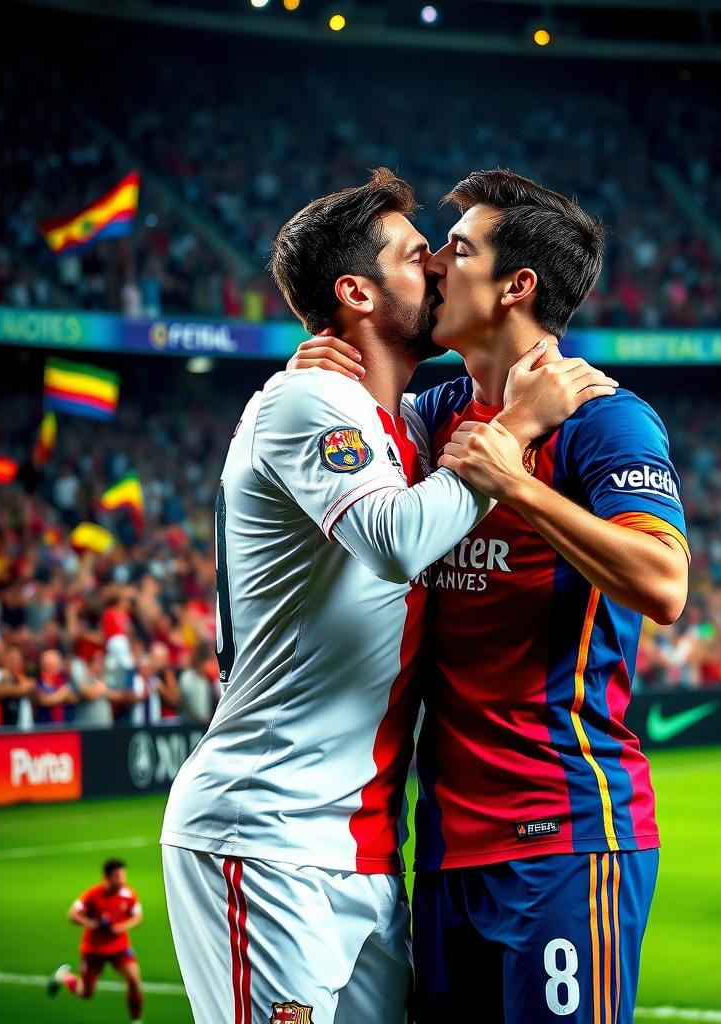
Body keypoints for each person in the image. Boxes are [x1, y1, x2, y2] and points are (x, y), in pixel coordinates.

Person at [160, 169, 612, 1024]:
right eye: (417, 258)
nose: (439, 268)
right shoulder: (307, 398)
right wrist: (515, 427)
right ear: (357, 292)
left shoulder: (397, 422)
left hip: (367, 850)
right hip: (267, 833)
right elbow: (398, 540)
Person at [291, 168, 689, 1024]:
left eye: (459, 249)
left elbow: (664, 583)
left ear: (518, 287)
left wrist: (522, 488)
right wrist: (317, 363)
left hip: (564, 830)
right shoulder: (428, 415)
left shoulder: (604, 420)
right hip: (439, 849)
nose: (433, 262)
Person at [48, 858, 145, 1021]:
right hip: (94, 950)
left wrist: (121, 927)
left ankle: (136, 1020)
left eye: (123, 876)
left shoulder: (129, 894)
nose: (122, 880)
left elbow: (138, 917)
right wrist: (92, 924)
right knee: (85, 993)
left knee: (134, 979)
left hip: (119, 947)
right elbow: (72, 914)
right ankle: (64, 976)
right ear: (107, 876)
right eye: (118, 876)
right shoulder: (92, 894)